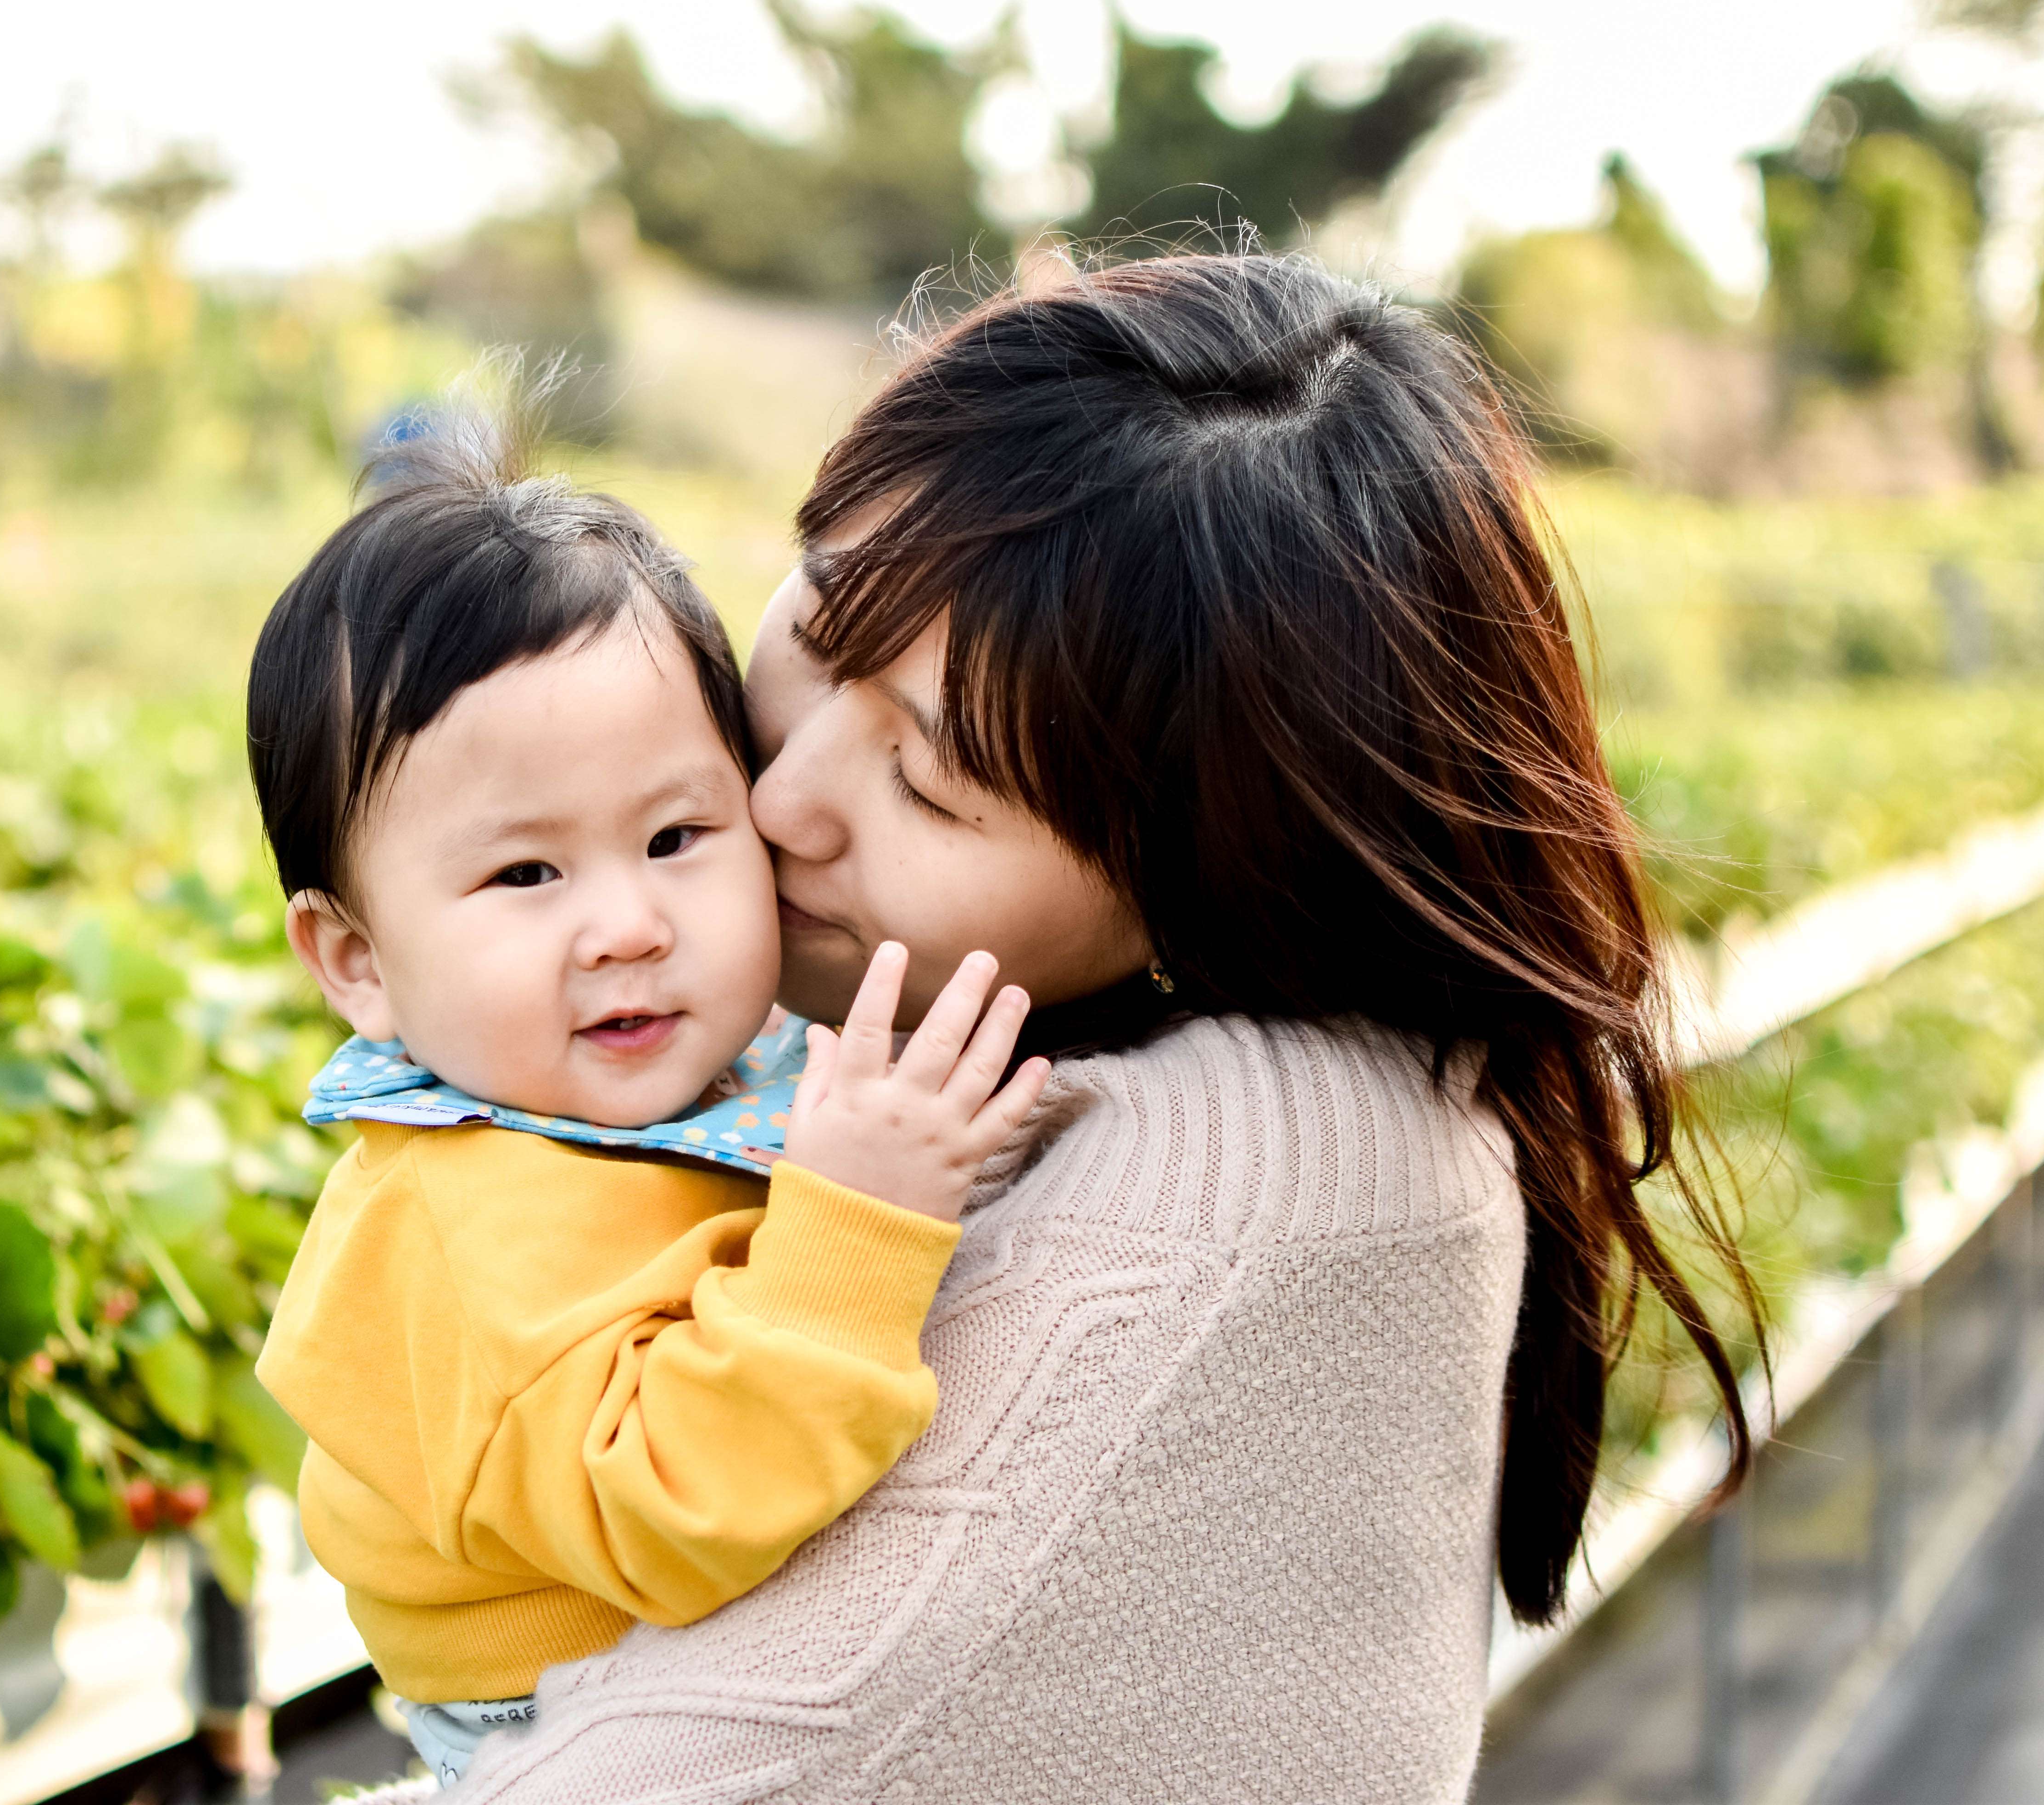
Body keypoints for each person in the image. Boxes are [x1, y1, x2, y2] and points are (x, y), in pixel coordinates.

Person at [427, 251, 1764, 1802]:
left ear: (1220, 882)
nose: (781, 801)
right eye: (821, 625)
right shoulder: (1014, 1055)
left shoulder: (1257, 1175)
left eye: (929, 786)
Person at [243, 426, 1051, 1786]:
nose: (626, 925)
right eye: (523, 877)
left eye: (679, 839)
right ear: (360, 962)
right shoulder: (461, 1229)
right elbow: (673, 1509)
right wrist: (861, 1224)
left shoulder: (702, 1062)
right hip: (571, 1722)